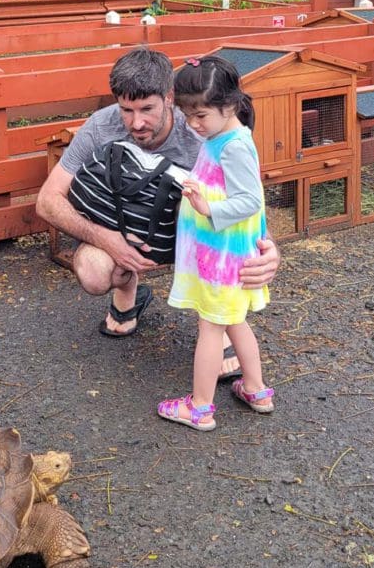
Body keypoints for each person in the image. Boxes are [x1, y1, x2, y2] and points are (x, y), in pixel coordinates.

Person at [35, 47, 279, 378]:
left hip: (189, 231)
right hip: (123, 227)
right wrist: (107, 240)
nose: (136, 122)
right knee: (92, 273)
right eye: (126, 110)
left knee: (199, 208)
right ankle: (128, 295)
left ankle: (217, 325)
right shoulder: (100, 126)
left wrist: (267, 247)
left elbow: (246, 197)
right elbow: (47, 200)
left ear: (169, 97)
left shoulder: (202, 129)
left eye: (147, 109)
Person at [158, 55, 274, 431]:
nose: (193, 124)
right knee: (233, 320)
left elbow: (250, 200)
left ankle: (200, 407)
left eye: (200, 116)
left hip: (222, 256)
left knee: (211, 327)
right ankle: (256, 389)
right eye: (187, 115)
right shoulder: (220, 136)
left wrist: (207, 207)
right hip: (219, 251)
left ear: (230, 106)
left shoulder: (234, 146)